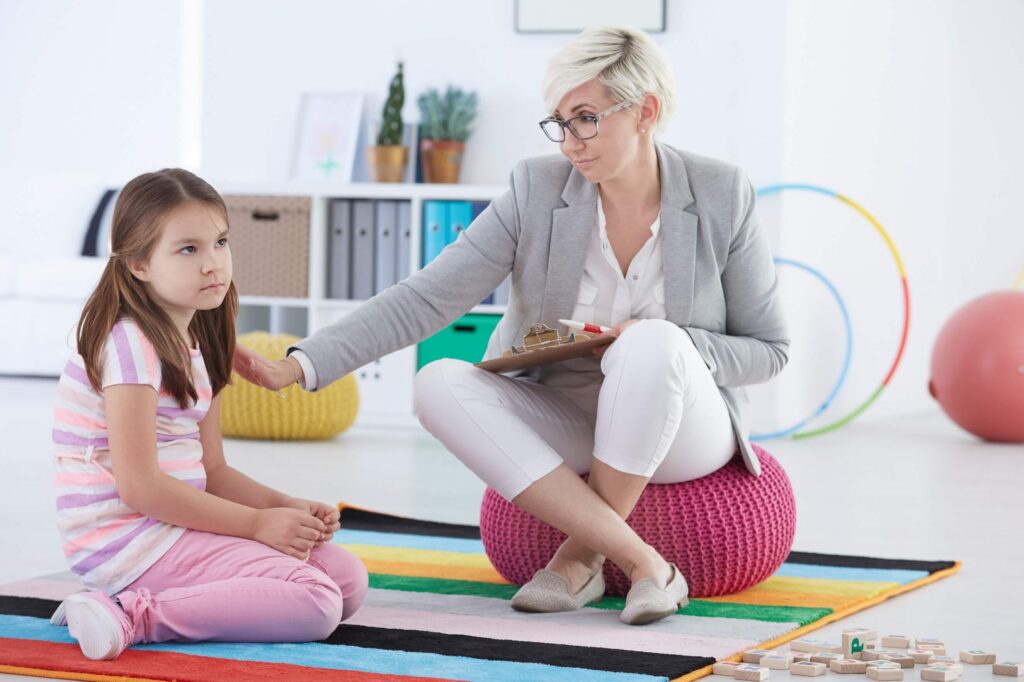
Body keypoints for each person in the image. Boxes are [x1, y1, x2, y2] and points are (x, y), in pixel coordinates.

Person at [236, 26, 788, 625]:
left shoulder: (720, 193)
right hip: (567, 413)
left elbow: (770, 350)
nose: (569, 142)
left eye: (585, 117)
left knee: (653, 344)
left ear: (645, 111)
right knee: (438, 381)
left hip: (683, 428)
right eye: (558, 121)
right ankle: (645, 561)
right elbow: (427, 297)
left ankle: (579, 558)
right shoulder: (537, 188)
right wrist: (297, 363)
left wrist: (678, 342)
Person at [51, 168, 368, 660]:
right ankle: (130, 612)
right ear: (137, 264)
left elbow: (212, 470)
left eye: (220, 242)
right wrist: (258, 525)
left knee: (347, 580)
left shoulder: (203, 339)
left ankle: (137, 601)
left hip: (173, 523)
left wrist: (283, 506)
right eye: (188, 249)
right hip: (126, 540)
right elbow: (140, 487)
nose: (212, 264)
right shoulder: (129, 345)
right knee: (317, 600)